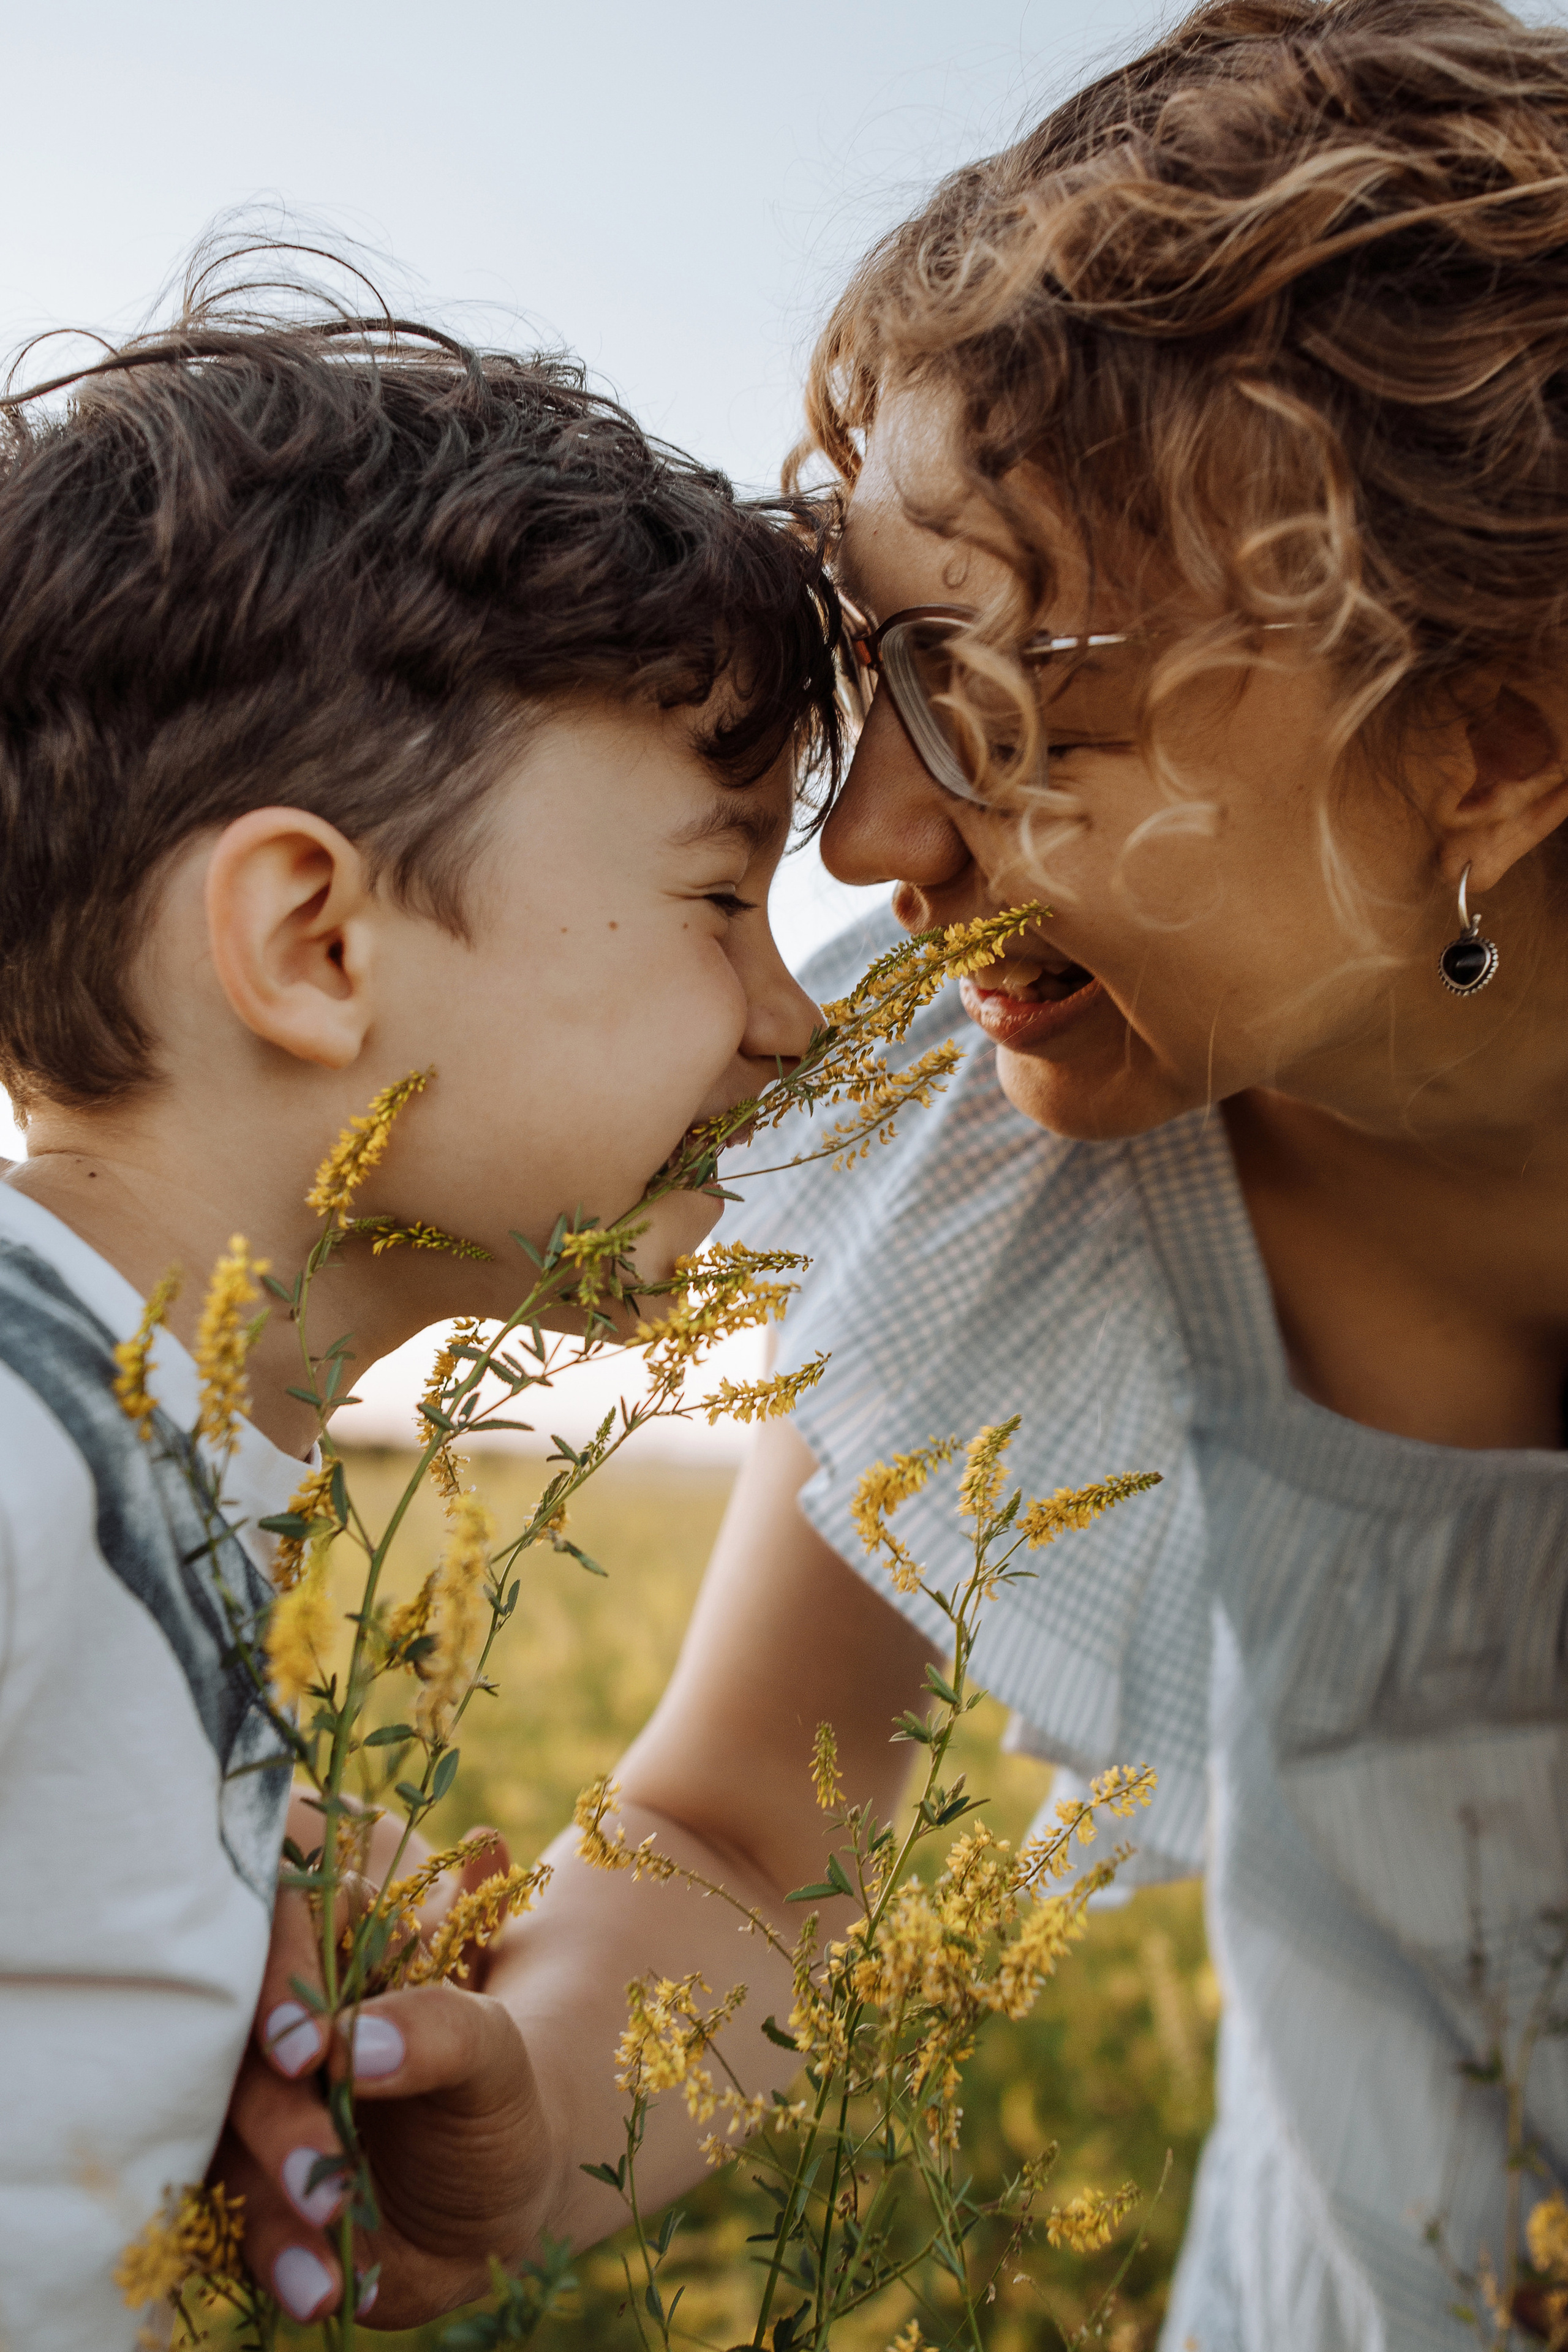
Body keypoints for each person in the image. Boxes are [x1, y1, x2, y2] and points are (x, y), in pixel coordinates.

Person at [229, 1, 1568, 2344]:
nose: (874, 843)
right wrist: (524, 2119)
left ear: (1491, 742)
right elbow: (749, 1835)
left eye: (1007, 698)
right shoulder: (995, 1127)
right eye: (887, 686)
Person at [0, 244, 843, 2351]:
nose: (792, 1028)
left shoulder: (156, 1477)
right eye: (725, 897)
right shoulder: (19, 1447)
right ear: (313, 938)